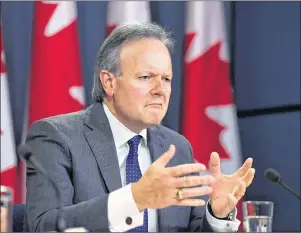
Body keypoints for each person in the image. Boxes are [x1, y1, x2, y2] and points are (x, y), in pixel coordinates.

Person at [24, 22, 255, 232]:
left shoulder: (177, 147)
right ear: (109, 82)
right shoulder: (56, 137)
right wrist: (134, 199)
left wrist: (216, 214)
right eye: (146, 77)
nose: (160, 89)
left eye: (166, 79)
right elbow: (43, 226)